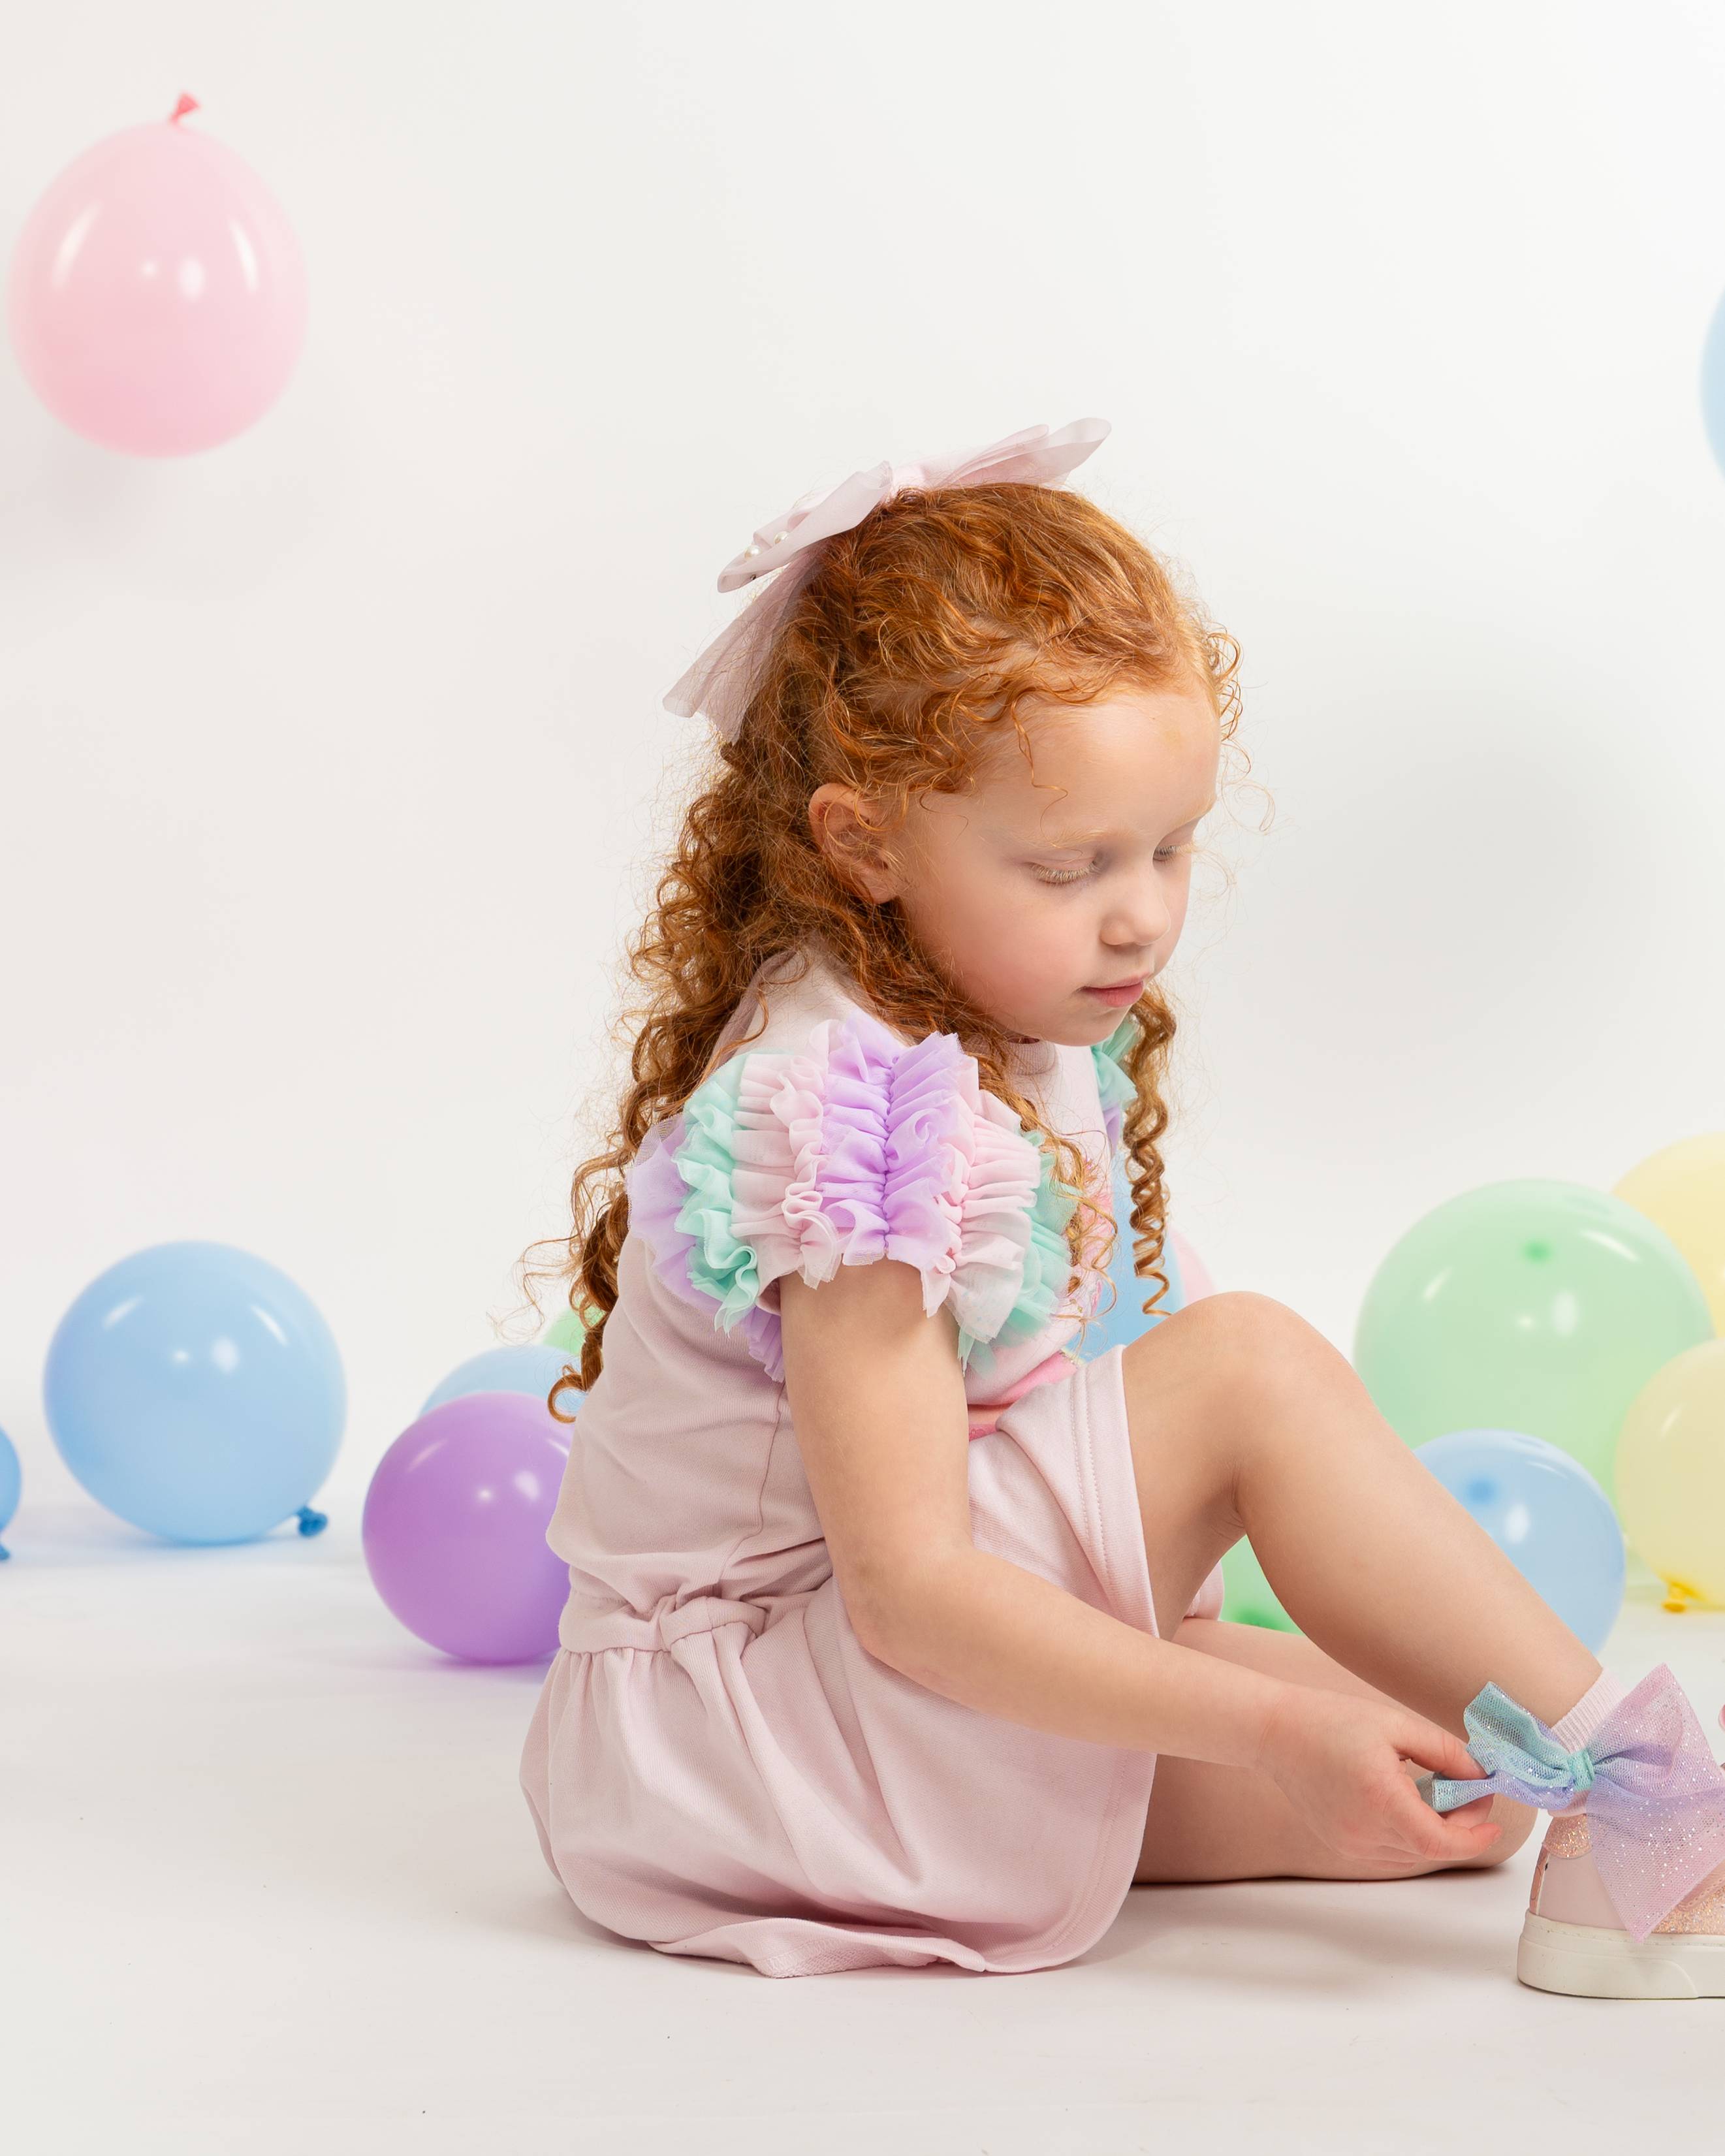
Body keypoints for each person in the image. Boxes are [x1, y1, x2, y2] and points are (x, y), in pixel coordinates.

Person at [518, 419, 1725, 1994]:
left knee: (1467, 1783)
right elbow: (910, 1590)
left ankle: (1586, 1801)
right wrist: (1272, 1719)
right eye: (1072, 864)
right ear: (863, 841)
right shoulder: (847, 1107)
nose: (1140, 913)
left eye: (1168, 848)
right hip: (756, 1730)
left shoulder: (998, 1019)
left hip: (849, 1702)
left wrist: (1284, 1711)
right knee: (1249, 1367)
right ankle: (1670, 1807)